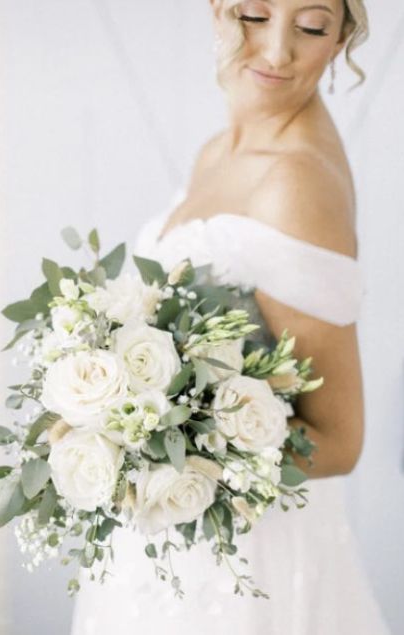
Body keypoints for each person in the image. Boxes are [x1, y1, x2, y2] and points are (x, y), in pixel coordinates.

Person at [70, 1, 391, 632]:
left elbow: (341, 441)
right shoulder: (221, 149)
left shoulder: (295, 182)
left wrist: (164, 454)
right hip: (167, 544)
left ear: (342, 38)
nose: (276, 52)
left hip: (239, 574)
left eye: (311, 27)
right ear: (218, 8)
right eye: (253, 15)